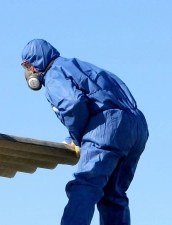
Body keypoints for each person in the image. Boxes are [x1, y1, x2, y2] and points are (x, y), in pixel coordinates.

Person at [21, 39, 148, 225]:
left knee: (85, 186)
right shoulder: (77, 65)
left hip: (108, 126)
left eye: (26, 65)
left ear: (32, 65)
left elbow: (72, 103)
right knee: (113, 195)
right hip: (137, 126)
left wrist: (78, 138)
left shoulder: (54, 75)